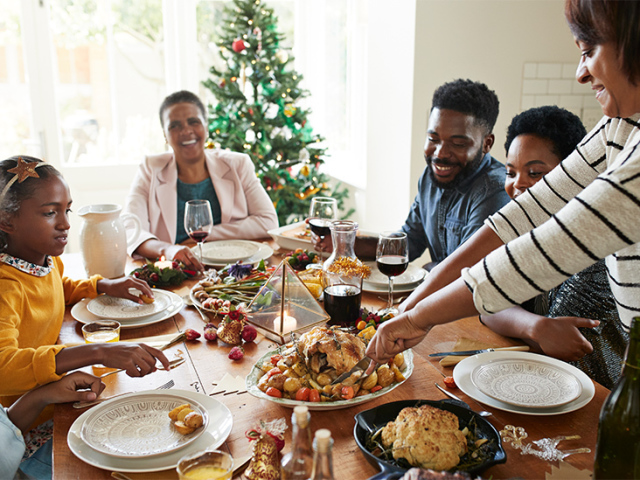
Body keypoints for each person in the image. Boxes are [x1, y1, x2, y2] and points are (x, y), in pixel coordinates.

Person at [366, 0, 640, 367]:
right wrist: (411, 306)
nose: (581, 72)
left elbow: (539, 251)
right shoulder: (622, 125)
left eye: (589, 51)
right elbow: (519, 218)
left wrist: (418, 318)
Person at [0, 156, 170, 418]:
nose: (65, 224)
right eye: (49, 212)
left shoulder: (46, 261)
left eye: (66, 210)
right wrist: (98, 352)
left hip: (55, 400)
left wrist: (103, 285)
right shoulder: (5, 286)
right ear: (6, 221)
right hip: (23, 425)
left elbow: (55, 289)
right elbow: (4, 367)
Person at [479, 106, 628, 388]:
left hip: (599, 402)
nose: (518, 184)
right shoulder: (529, 231)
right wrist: (533, 325)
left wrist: (528, 326)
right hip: (546, 384)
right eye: (511, 172)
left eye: (534, 172)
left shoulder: (594, 249)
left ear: (575, 176)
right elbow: (487, 301)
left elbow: (549, 345)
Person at [312, 79, 510, 268]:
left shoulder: (495, 191)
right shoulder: (431, 178)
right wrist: (343, 242)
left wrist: (431, 268)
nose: (440, 153)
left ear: (487, 143)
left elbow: (466, 273)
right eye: (433, 138)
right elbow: (409, 242)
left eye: (457, 144)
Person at [124, 90, 279, 271]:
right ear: (165, 135)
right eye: (174, 125)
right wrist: (169, 249)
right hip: (176, 273)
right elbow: (130, 231)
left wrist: (205, 235)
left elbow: (268, 222)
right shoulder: (151, 168)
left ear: (206, 127)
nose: (186, 131)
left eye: (193, 122)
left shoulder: (237, 164)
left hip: (235, 269)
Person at [1, 372, 104, 480]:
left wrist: (45, 394)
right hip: (29, 457)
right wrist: (99, 355)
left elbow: (7, 428)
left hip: (27, 439)